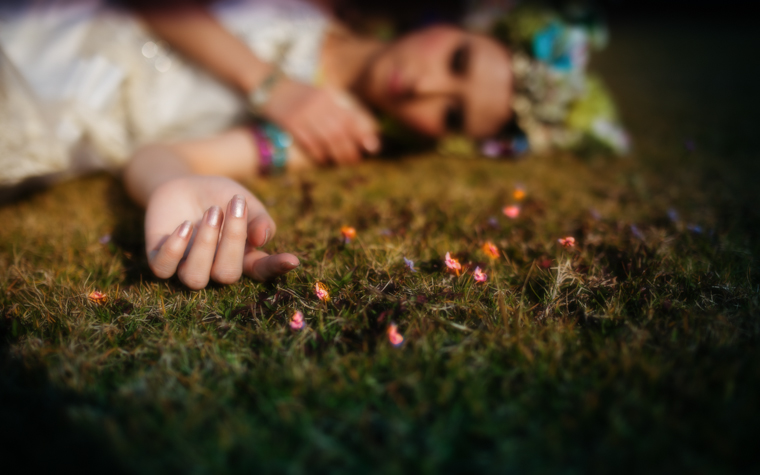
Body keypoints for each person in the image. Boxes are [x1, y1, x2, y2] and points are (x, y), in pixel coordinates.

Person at [0, 0, 624, 289]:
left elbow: (167, 159)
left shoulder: (333, 133)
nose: (427, 86)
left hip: (38, 122)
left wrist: (176, 185)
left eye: (452, 113)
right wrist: (269, 85)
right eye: (457, 60)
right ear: (458, 22)